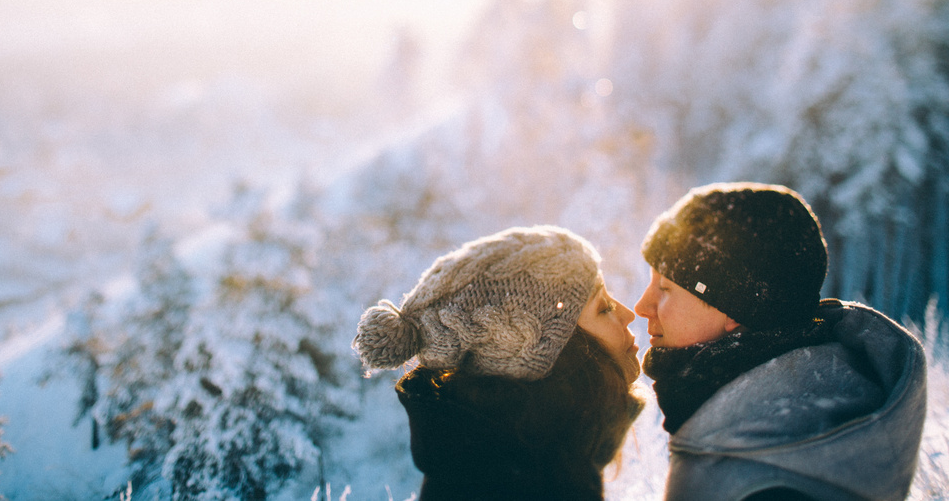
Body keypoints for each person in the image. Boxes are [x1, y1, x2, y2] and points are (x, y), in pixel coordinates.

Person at [634, 182, 928, 501]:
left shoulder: (772, 485)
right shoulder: (757, 434)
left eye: (665, 287)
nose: (641, 306)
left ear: (736, 306)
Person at [353, 225, 644, 500]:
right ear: (550, 355)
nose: (628, 313)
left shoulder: (521, 463)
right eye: (603, 308)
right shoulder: (522, 484)